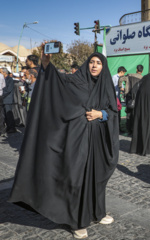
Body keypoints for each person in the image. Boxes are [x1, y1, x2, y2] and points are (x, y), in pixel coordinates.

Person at [9, 45, 119, 239]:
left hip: (98, 141)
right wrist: (46, 64)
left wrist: (100, 114)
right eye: (92, 62)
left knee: (95, 179)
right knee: (75, 179)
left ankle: (97, 213)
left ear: (104, 66)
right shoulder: (76, 81)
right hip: (76, 139)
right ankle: (77, 221)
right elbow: (57, 82)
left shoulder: (106, 84)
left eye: (98, 63)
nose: (94, 66)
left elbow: (113, 111)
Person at [126, 65, 143, 134]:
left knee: (129, 114)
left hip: (129, 97)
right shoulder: (142, 78)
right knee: (136, 114)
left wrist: (121, 86)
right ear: (142, 71)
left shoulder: (130, 75)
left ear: (136, 70)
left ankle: (129, 129)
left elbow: (121, 79)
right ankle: (134, 129)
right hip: (137, 98)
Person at [2, 68, 16, 133]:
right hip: (3, 100)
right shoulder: (2, 79)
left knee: (9, 114)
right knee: (4, 114)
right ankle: (8, 127)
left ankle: (12, 127)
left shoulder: (10, 79)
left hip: (7, 99)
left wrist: (1, 93)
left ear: (4, 73)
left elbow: (8, 89)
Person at [0, 69, 6, 135]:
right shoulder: (1, 76)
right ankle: (2, 130)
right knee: (1, 113)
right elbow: (4, 86)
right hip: (0, 95)